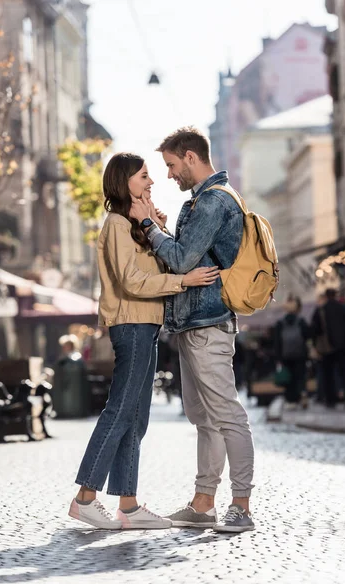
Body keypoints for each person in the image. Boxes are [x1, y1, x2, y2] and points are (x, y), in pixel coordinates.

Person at [69, 152, 219, 530]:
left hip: (146, 326)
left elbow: (167, 264)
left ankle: (129, 504)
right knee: (120, 411)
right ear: (124, 182)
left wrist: (158, 228)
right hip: (131, 325)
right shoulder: (117, 224)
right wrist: (184, 281)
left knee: (137, 419)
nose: (151, 182)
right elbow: (132, 283)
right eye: (144, 176)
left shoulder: (133, 225)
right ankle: (85, 497)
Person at [130, 127, 255, 534]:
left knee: (227, 414)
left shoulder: (214, 202)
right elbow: (185, 257)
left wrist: (149, 226)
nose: (168, 175)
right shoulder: (201, 201)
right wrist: (163, 230)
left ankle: (241, 505)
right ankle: (203, 503)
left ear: (189, 157)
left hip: (208, 323)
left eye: (170, 165)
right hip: (192, 322)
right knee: (204, 418)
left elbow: (182, 262)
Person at [311, 288, 345, 408]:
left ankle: (331, 399)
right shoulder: (344, 308)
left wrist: (316, 345)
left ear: (326, 296)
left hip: (327, 348)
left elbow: (315, 330)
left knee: (328, 374)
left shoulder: (321, 310)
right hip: (343, 346)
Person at [274, 297, 310, 408]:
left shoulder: (280, 323)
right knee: (300, 376)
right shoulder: (301, 321)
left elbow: (277, 341)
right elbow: (307, 336)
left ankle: (291, 401)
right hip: (300, 354)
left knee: (289, 378)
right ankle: (302, 393)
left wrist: (278, 357)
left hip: (285, 355)